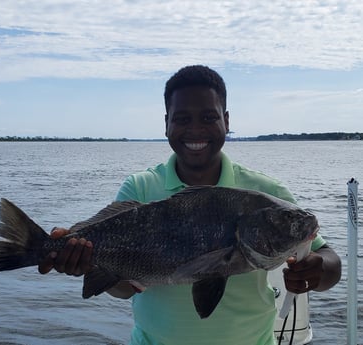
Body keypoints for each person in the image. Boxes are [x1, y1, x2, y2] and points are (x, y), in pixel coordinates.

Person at [39, 65, 341, 345]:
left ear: (226, 120)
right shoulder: (141, 188)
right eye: (182, 119)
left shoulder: (266, 191)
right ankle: (29, 247)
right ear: (166, 124)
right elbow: (123, 290)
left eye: (209, 117)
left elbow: (328, 259)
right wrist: (86, 260)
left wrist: (318, 270)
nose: (196, 129)